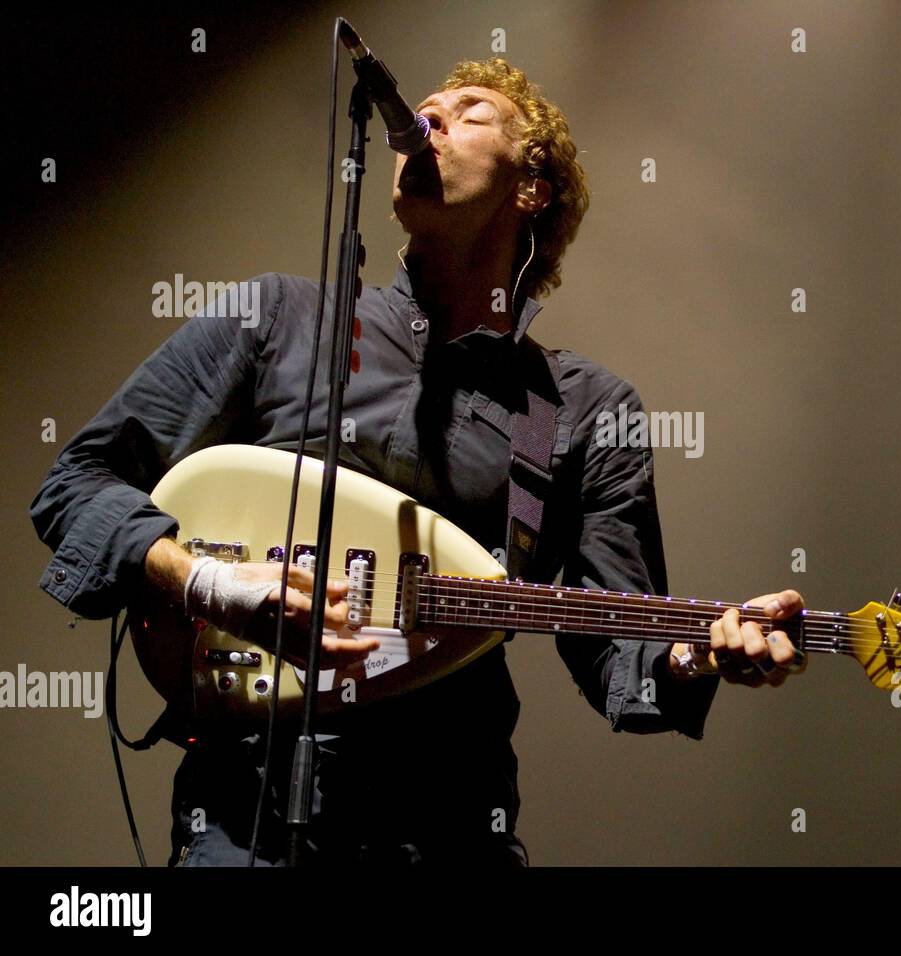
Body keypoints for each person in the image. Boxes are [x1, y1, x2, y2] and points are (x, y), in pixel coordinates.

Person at [29, 57, 806, 867]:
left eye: (468, 113)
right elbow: (73, 487)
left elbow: (622, 655)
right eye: (423, 112)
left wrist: (696, 654)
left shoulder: (582, 409)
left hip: (447, 821)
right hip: (247, 812)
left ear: (532, 188)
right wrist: (211, 583)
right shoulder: (276, 320)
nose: (426, 122)